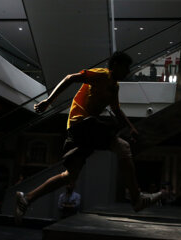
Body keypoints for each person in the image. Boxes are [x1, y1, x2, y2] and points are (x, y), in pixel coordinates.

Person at [15, 51, 163, 223]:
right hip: (81, 124)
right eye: (125, 67)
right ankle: (137, 199)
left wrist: (131, 128)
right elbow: (70, 78)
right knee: (123, 147)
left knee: (70, 176)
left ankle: (26, 199)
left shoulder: (114, 86)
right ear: (115, 65)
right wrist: (48, 102)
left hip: (81, 131)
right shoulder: (102, 75)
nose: (128, 72)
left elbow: (116, 110)